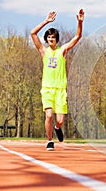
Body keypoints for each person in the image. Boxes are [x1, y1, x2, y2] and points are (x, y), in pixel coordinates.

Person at [31, 9, 84, 150]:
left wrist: (80, 22)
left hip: (60, 90)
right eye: (48, 38)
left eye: (53, 38)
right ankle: (49, 140)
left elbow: (77, 36)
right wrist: (46, 21)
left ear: (56, 39)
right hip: (47, 89)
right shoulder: (43, 51)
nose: (50, 40)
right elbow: (33, 33)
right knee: (48, 115)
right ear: (46, 39)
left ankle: (57, 128)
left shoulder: (63, 50)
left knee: (59, 120)